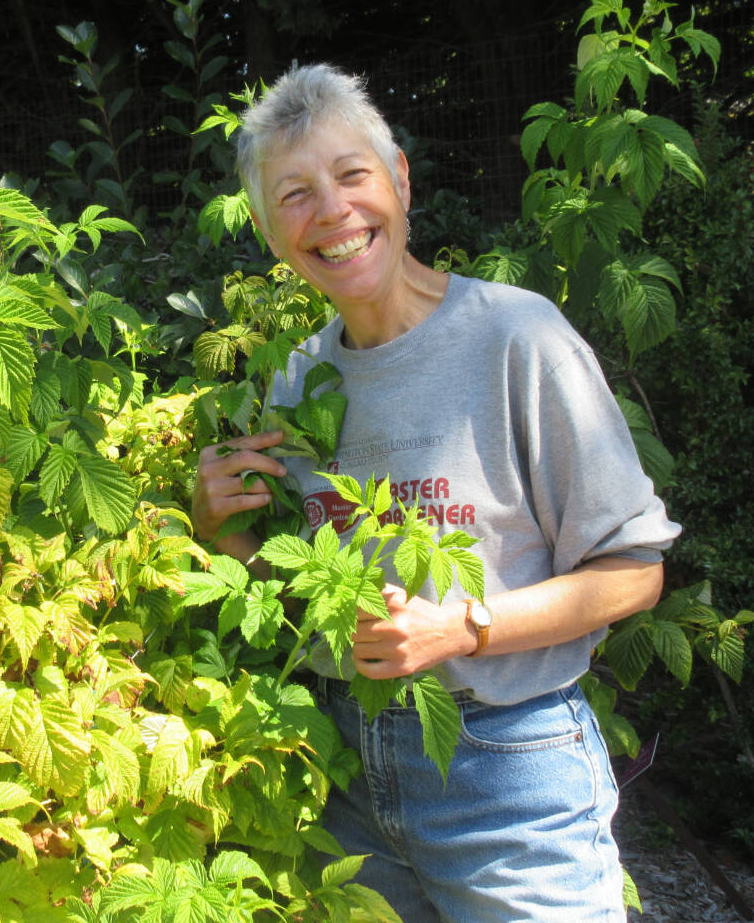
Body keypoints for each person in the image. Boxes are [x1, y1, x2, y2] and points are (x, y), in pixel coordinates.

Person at [190, 64, 681, 923]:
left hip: (507, 772)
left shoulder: (517, 338)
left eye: (352, 175)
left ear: (401, 180)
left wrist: (460, 626)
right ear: (271, 232)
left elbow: (634, 572)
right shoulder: (299, 381)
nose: (333, 212)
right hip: (344, 778)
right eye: (295, 194)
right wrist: (221, 533)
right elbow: (298, 597)